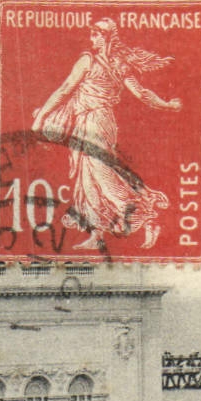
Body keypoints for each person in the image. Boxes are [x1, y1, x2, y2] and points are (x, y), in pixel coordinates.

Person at [31, 17, 181, 250]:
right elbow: (142, 94)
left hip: (94, 122)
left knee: (101, 174)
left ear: (106, 37)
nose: (92, 39)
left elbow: (64, 90)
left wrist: (41, 118)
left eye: (96, 34)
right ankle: (96, 234)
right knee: (86, 178)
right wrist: (167, 104)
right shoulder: (118, 64)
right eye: (92, 34)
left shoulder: (88, 60)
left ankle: (146, 217)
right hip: (96, 121)